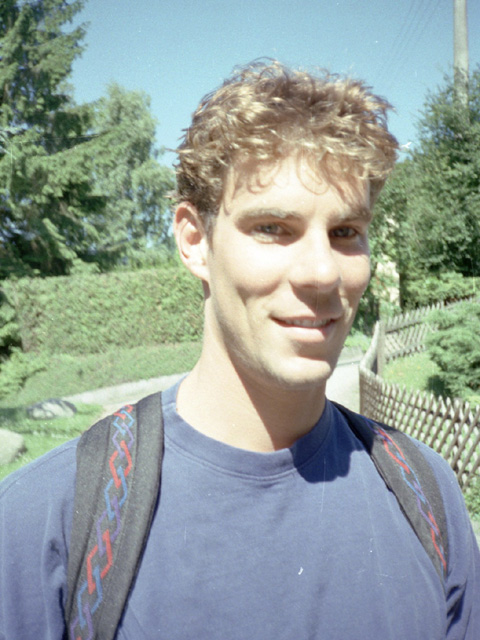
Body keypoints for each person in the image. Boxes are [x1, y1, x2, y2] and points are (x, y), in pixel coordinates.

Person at [1, 60, 479, 640]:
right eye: (273, 227)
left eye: (345, 232)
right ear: (194, 241)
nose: (322, 272)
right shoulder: (47, 525)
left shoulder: (426, 496)